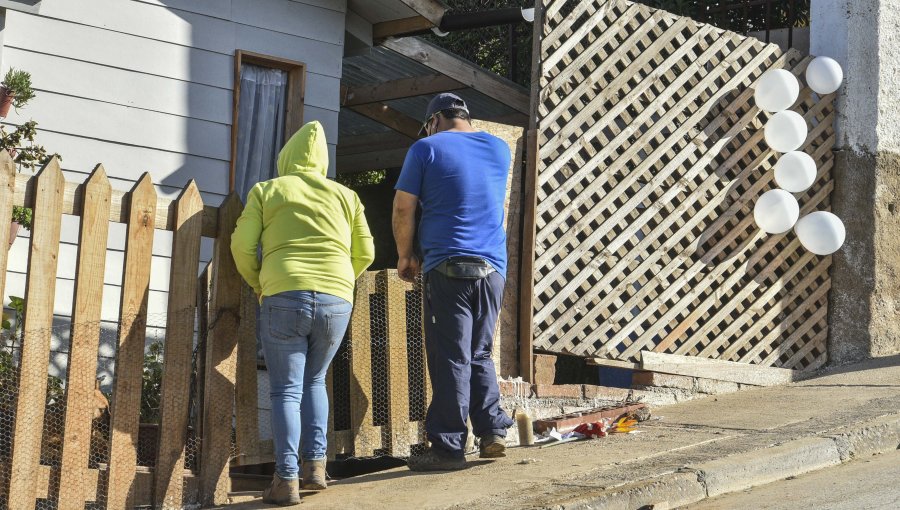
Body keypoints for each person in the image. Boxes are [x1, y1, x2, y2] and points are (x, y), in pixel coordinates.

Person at [232, 120, 374, 505]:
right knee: (315, 381)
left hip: (283, 293)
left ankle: (287, 479)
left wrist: (260, 284)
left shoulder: (268, 190)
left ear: (286, 158)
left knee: (285, 390)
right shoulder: (347, 197)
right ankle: (315, 467)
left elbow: (242, 246)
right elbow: (366, 252)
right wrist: (341, 282)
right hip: (336, 299)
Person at [392, 93, 515, 471]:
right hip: (493, 268)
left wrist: (405, 255)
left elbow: (403, 206)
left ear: (435, 120)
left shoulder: (425, 148)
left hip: (449, 265)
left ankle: (447, 447)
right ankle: (492, 431)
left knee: (451, 358)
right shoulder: (499, 148)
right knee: (480, 353)